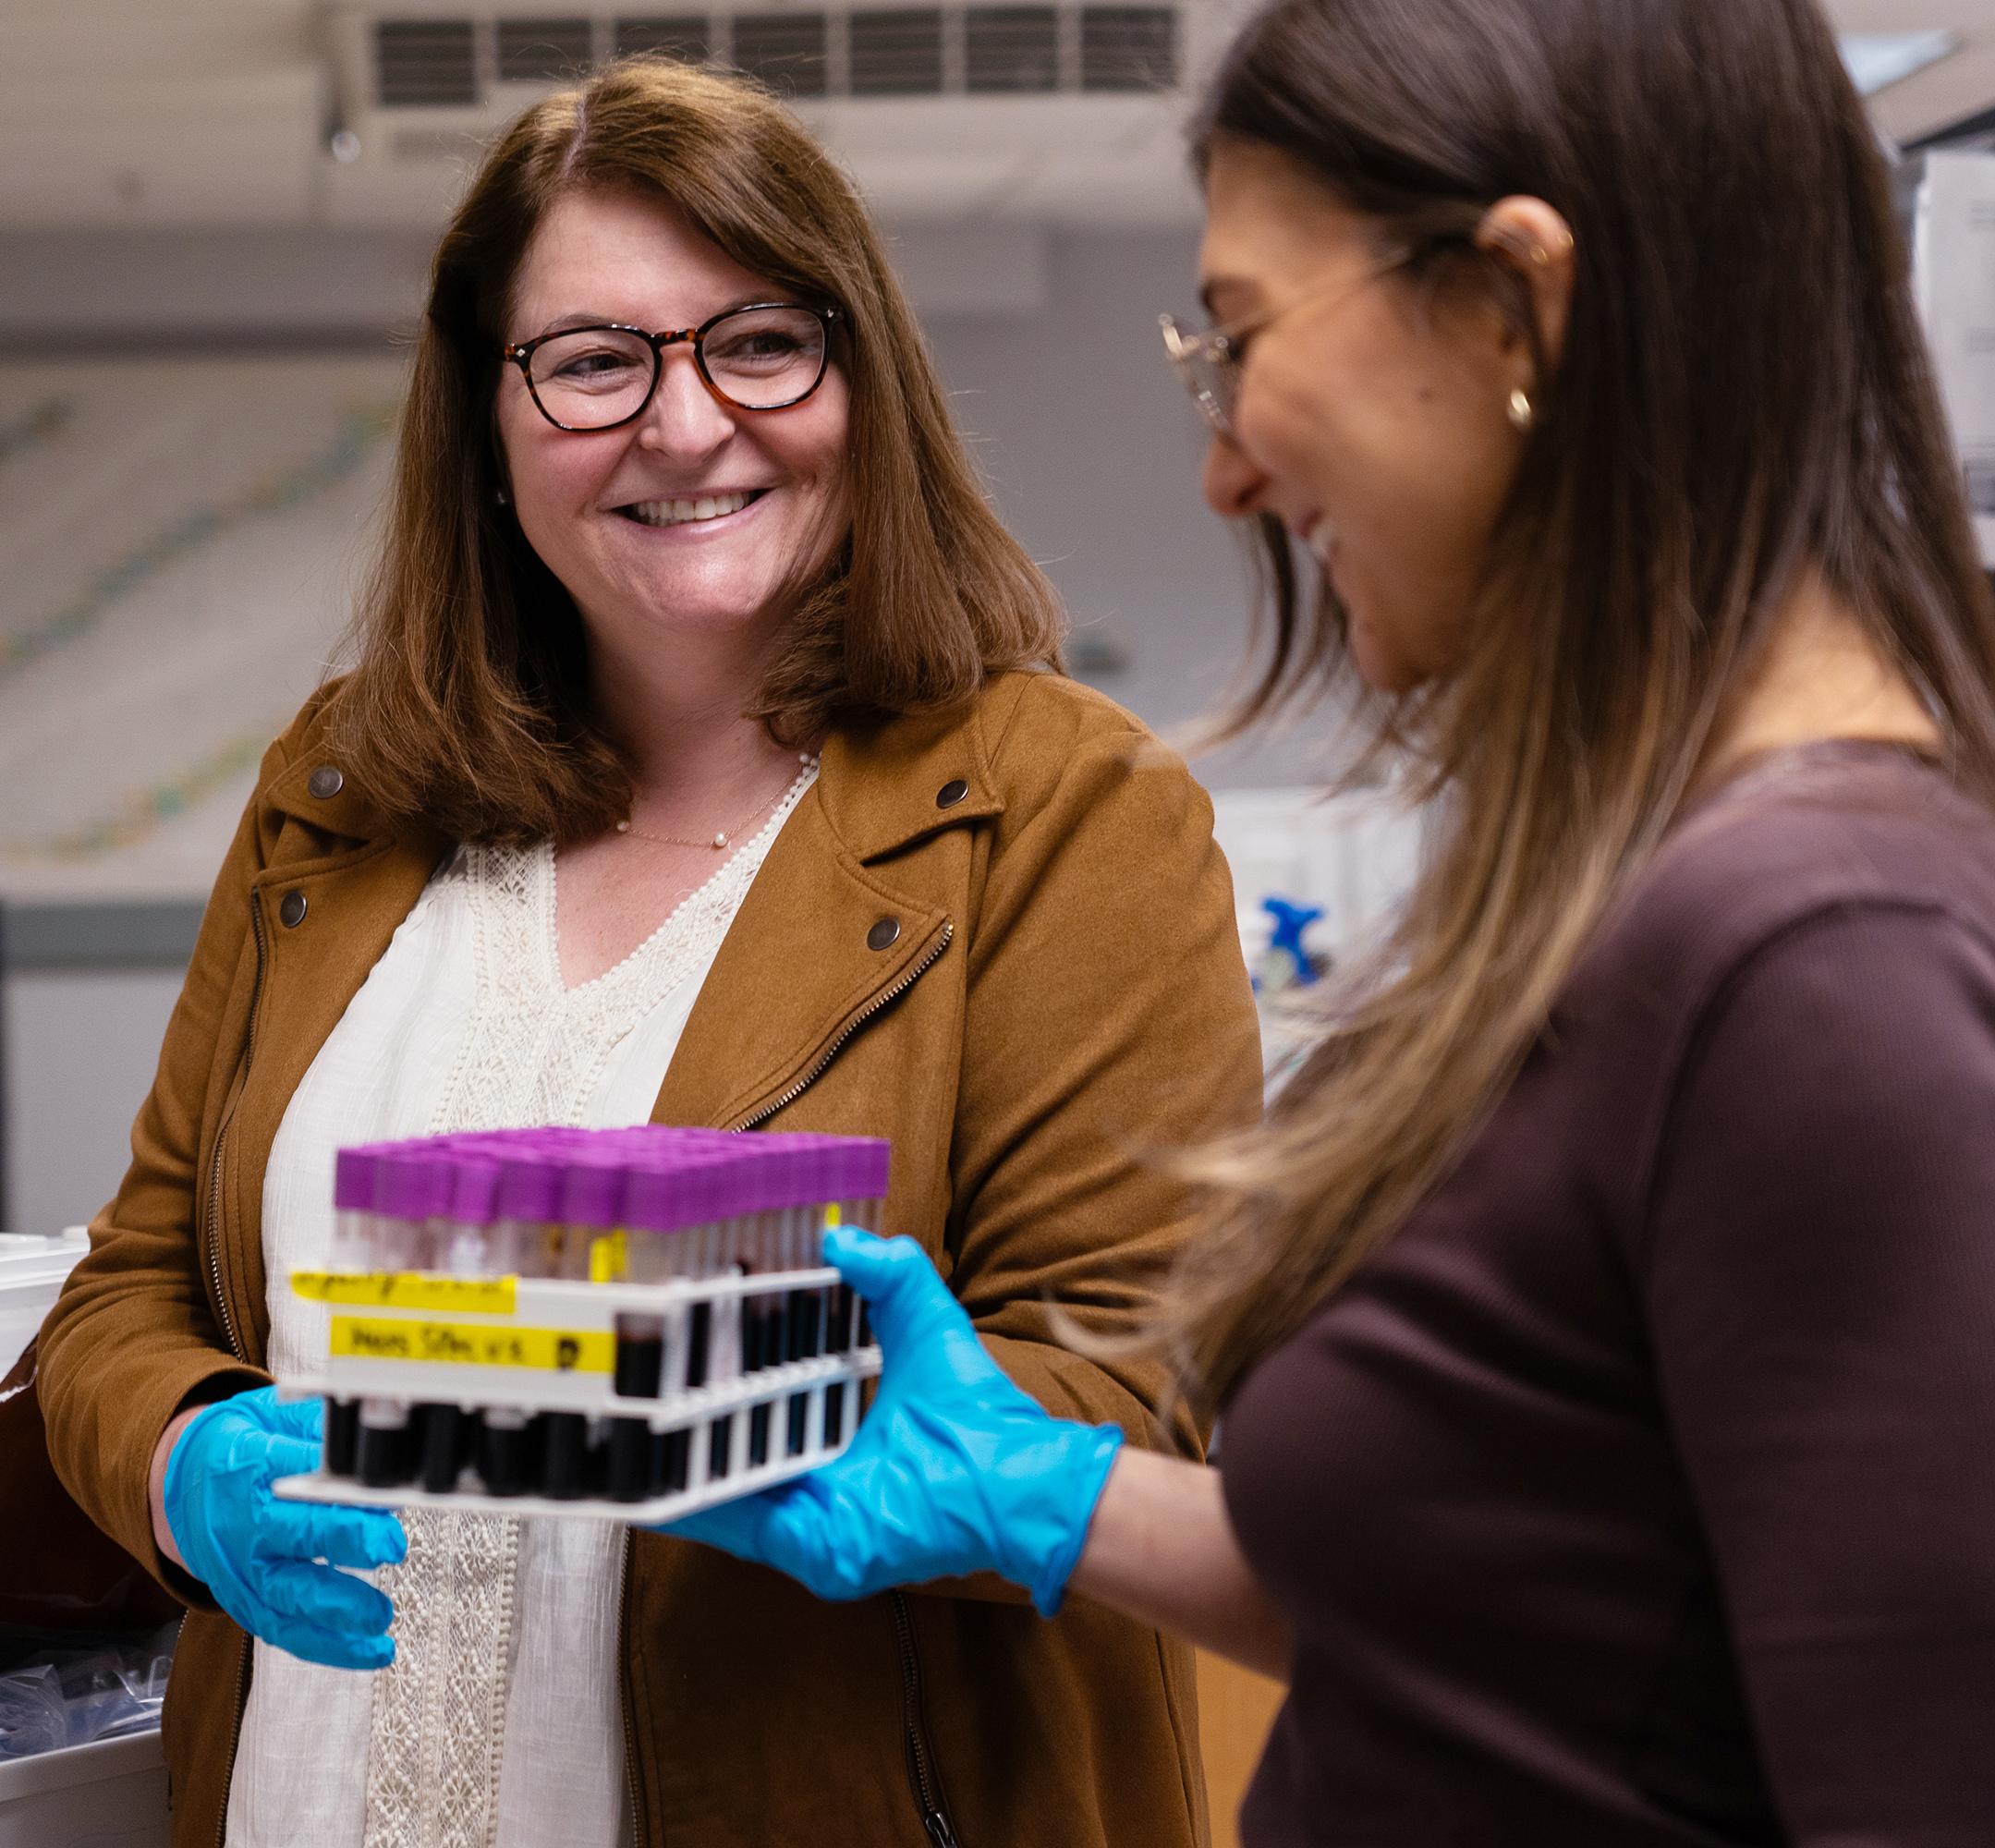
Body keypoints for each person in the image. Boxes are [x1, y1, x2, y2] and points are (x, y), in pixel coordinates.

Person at [668, 0, 1995, 1840]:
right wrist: (1040, 1494)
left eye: (1234, 338)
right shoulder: (1648, 905)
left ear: (1508, 302)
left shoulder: (1816, 965)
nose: (1221, 468)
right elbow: (1536, 1628)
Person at [35, 57, 1259, 1848]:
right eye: (595, 360)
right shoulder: (340, 794)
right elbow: (129, 1288)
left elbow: (1134, 1394)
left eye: (758, 340)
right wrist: (178, 1451)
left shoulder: (1066, 812)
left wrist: (772, 1416)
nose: (683, 426)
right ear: (488, 417)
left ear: (861, 380)